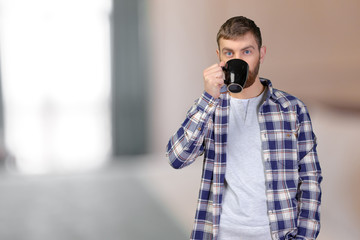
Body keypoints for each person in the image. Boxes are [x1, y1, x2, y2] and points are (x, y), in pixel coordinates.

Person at [166, 16, 322, 240]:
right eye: (229, 53)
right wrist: (208, 98)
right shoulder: (210, 106)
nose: (238, 59)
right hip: (221, 234)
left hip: (276, 234)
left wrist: (304, 237)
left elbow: (310, 179)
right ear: (219, 57)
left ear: (262, 53)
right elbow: (176, 158)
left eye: (247, 52)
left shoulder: (292, 109)